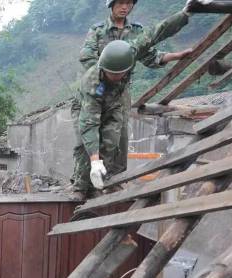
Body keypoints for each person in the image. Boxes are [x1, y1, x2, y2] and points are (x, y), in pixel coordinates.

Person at [67, 2, 194, 201]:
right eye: (121, 2)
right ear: (111, 4)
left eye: (129, 2)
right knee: (87, 142)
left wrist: (185, 14)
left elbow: (156, 34)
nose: (125, 6)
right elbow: (89, 124)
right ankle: (81, 185)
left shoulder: (133, 43)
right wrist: (94, 161)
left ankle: (109, 182)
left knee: (116, 139)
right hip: (96, 89)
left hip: (119, 95)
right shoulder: (97, 36)